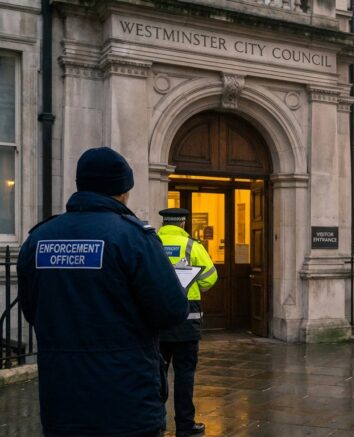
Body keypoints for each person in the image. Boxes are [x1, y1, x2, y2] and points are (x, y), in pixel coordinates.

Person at [17, 147, 189, 437]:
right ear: (123, 190)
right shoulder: (133, 237)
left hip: (62, 399)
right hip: (127, 400)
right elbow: (172, 310)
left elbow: (31, 311)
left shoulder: (39, 239)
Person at [157, 208, 218, 437]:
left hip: (158, 317)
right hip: (186, 319)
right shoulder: (192, 246)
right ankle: (185, 425)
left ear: (164, 223)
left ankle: (157, 423)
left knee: (156, 373)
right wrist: (193, 286)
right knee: (184, 374)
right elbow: (211, 277)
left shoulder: (152, 243)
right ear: (182, 223)